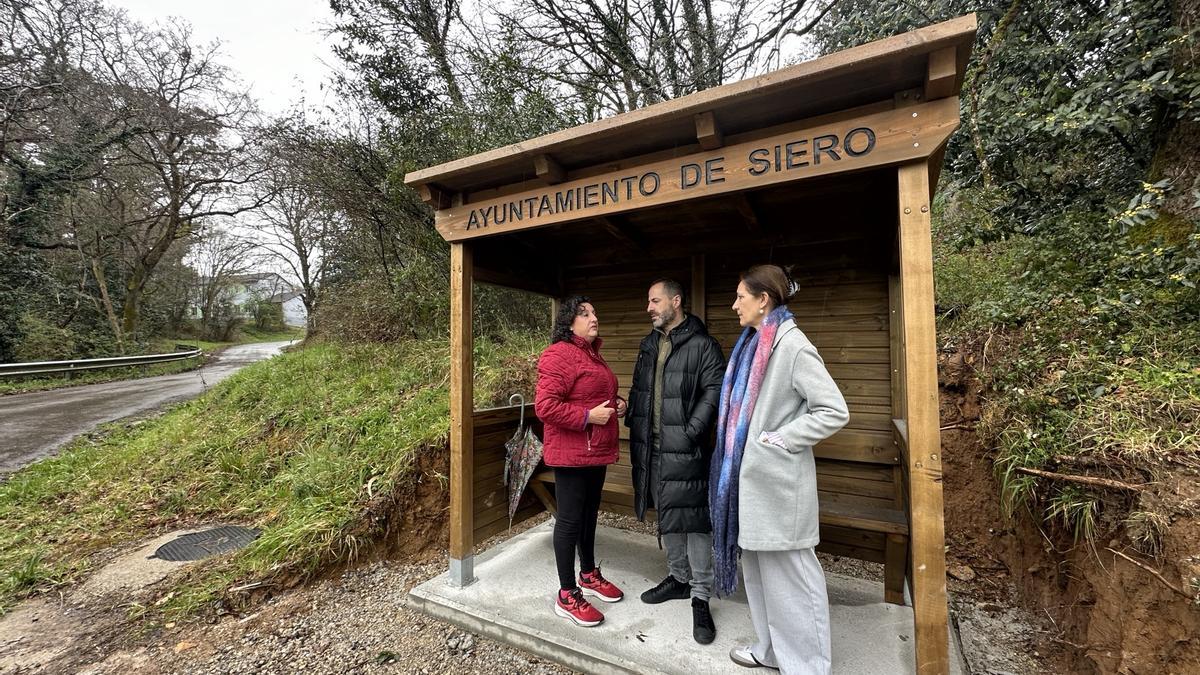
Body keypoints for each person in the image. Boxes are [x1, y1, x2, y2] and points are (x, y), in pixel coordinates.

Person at [709, 265, 850, 674]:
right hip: (752, 484)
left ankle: (807, 666)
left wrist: (780, 439)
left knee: (793, 582)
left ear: (763, 299)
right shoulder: (754, 343)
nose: (734, 305)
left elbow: (833, 409)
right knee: (758, 575)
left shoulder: (792, 345)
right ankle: (769, 650)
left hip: (778, 484)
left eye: (740, 297)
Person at [625, 278, 725, 644]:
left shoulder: (703, 345)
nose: (649, 308)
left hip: (686, 447)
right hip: (651, 447)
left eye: (654, 301)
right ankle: (679, 579)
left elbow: (715, 390)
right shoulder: (648, 344)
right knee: (669, 513)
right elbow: (640, 388)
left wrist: (692, 429)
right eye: (648, 302)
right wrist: (630, 413)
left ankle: (701, 596)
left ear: (676, 301)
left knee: (695, 520)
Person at [534, 295, 628, 627]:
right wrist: (588, 416)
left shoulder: (592, 355)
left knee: (589, 515)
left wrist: (617, 404)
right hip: (571, 454)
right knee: (570, 520)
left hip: (594, 451)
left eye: (594, 311)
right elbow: (545, 407)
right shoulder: (559, 354)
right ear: (569, 322)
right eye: (584, 313)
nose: (593, 317)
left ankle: (588, 574)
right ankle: (566, 593)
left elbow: (593, 394)